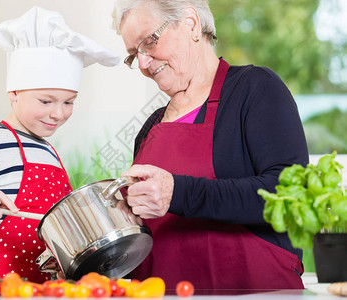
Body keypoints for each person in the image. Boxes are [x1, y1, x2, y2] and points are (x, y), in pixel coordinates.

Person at [112, 0, 309, 291]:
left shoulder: (254, 89)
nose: (143, 63)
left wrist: (177, 192)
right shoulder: (150, 128)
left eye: (149, 41)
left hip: (255, 292)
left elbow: (290, 196)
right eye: (133, 55)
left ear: (191, 23)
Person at [0, 6, 119, 283]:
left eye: (69, 102)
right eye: (45, 101)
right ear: (14, 93)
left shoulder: (49, 150)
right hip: (4, 285)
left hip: (50, 286)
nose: (58, 113)